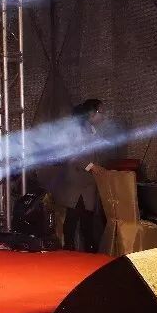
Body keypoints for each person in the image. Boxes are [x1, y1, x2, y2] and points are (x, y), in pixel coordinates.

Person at [51, 99, 105, 252]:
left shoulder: (92, 130)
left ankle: (87, 250)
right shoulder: (78, 131)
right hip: (77, 182)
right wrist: (91, 166)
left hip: (87, 183)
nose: (103, 116)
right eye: (101, 112)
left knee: (85, 219)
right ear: (91, 113)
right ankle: (69, 249)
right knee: (73, 217)